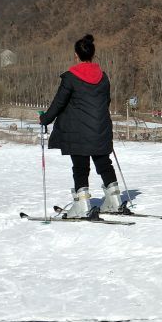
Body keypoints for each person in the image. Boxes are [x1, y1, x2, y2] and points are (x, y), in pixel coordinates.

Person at [39, 34, 120, 218]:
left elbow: (59, 103)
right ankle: (114, 200)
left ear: (76, 55)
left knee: (80, 166)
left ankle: (82, 204)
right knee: (104, 163)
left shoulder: (70, 77)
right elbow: (105, 102)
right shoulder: (103, 76)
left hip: (79, 130)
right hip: (101, 128)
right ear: (92, 54)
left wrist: (45, 119)